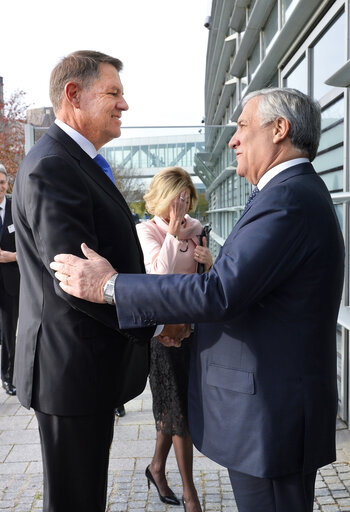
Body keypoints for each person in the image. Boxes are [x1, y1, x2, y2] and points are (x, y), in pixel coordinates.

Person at [50, 87, 345, 512]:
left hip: (272, 419)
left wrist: (110, 286)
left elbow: (220, 291)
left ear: (280, 130)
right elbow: (247, 293)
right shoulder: (287, 194)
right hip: (273, 412)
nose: (233, 139)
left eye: (243, 126)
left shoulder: (288, 199)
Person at [12, 50, 187, 512]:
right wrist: (156, 326)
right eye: (113, 93)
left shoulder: (73, 161)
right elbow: (75, 281)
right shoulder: (54, 166)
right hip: (70, 371)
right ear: (73, 95)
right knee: (75, 500)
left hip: (81, 369)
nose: (124, 105)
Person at [138, 167, 212, 512]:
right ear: (163, 199)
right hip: (162, 334)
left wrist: (210, 263)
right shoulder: (146, 231)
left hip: (191, 331)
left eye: (187, 200)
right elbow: (159, 275)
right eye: (177, 200)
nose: (183, 208)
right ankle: (189, 494)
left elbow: (210, 284)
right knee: (177, 412)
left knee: (175, 407)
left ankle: (156, 467)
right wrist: (171, 232)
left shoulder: (198, 231)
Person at [0, 165, 19, 396]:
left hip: (11, 282)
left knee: (9, 332)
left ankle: (8, 376)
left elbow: (31, 240)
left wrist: (14, 256)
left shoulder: (17, 207)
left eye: (2, 182)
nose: (0, 187)